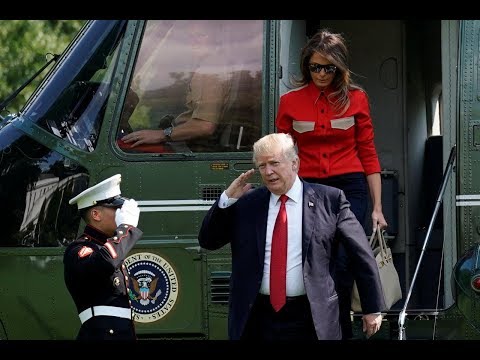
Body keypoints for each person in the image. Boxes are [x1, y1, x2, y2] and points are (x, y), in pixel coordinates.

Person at [198, 133, 385, 340]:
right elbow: (208, 240)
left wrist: (372, 307)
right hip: (258, 318)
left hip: (312, 318)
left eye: (274, 163)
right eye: (262, 166)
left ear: (295, 163)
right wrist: (226, 200)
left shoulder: (330, 200)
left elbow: (361, 254)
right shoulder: (248, 203)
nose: (268, 172)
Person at [275, 28, 388, 339]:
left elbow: (368, 152)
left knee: (346, 260)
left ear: (339, 67)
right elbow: (282, 156)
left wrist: (377, 207)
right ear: (306, 66)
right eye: (315, 67)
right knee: (315, 262)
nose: (322, 74)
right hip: (308, 187)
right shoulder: (290, 102)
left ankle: (343, 329)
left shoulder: (357, 99)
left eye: (328, 68)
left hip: (350, 188)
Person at [120, 21, 234, 153]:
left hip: (188, 148)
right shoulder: (219, 65)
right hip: (188, 145)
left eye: (201, 35)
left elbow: (205, 125)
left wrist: (162, 134)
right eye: (191, 36)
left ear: (217, 38)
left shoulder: (209, 72)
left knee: (125, 148)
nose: (193, 41)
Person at [63, 174, 142, 340]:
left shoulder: (105, 247)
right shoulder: (80, 249)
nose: (121, 213)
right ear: (96, 214)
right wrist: (126, 228)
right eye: (116, 209)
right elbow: (104, 262)